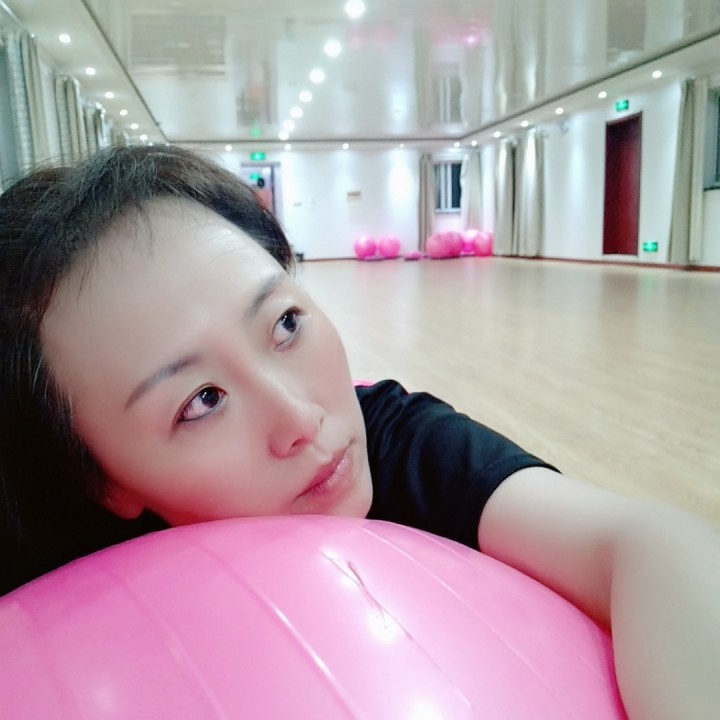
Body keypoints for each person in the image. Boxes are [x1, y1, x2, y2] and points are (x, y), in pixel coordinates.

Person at [0, 145, 717, 720]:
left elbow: (648, 544)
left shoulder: (386, 433)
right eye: (202, 401)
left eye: (285, 324)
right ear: (98, 479)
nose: (302, 418)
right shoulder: (34, 583)